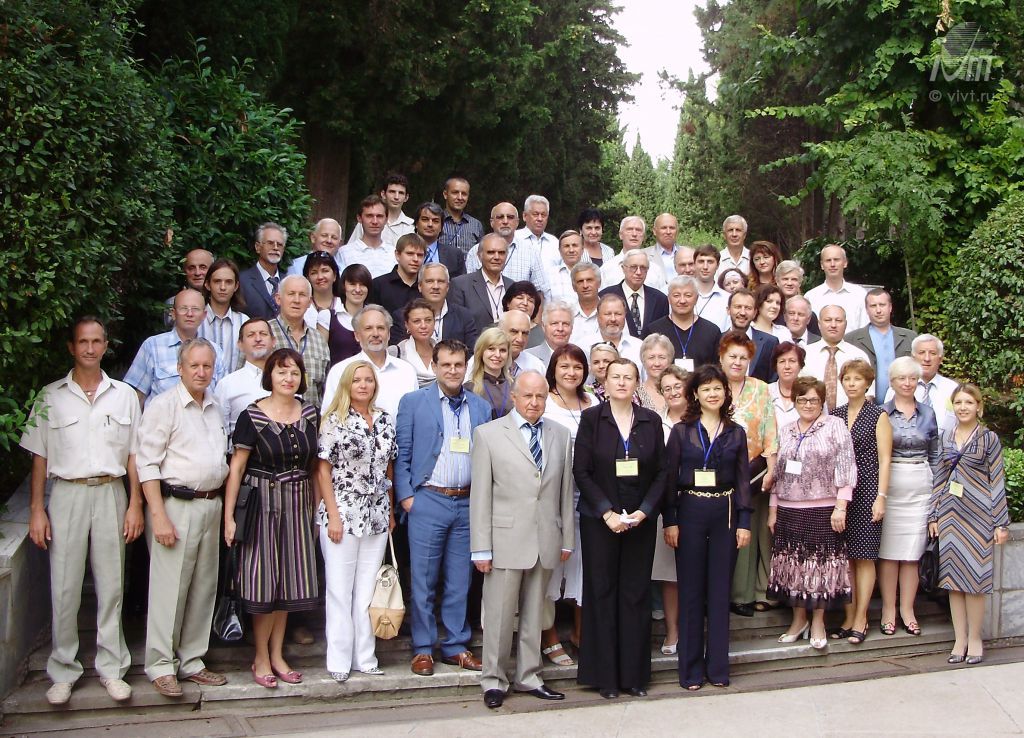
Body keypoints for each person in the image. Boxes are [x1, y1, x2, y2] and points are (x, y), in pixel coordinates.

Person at [20, 316, 144, 706]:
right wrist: (37, 510)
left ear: (105, 345)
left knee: (112, 585)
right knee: (65, 585)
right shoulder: (50, 396)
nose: (90, 348)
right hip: (67, 494)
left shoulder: (124, 395)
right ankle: (63, 670)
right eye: (83, 342)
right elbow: (39, 458)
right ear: (72, 347)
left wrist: (136, 504)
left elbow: (134, 456)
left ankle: (112, 668)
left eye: (96, 341)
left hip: (111, 492)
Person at [471, 371, 574, 708]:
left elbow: (564, 492)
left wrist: (566, 538)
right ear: (514, 396)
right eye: (527, 396)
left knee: (535, 614)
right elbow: (481, 496)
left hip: (545, 537)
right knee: (499, 615)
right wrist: (480, 547)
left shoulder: (560, 434)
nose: (534, 402)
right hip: (505, 539)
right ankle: (494, 680)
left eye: (540, 396)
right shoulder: (488, 434)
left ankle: (530, 676)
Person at [135, 338, 229, 697]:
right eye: (194, 366)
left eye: (207, 366)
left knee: (204, 587)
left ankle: (192, 659)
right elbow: (147, 463)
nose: (201, 372)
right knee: (169, 589)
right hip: (175, 505)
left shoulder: (216, 406)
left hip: (210, 504)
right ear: (180, 368)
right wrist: (157, 515)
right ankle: (161, 664)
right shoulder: (163, 406)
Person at [223, 348, 320, 688]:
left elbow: (315, 467)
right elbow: (236, 468)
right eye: (281, 372)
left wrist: (316, 511)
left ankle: (278, 655)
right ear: (270, 376)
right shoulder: (252, 415)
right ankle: (261, 657)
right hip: (262, 504)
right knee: (264, 584)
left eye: (294, 372)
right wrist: (229, 517)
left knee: (289, 583)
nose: (288, 378)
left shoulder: (311, 413)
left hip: (298, 503)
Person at [395, 340, 492, 676]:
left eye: (458, 364)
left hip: (466, 503)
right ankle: (423, 648)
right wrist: (407, 497)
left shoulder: (480, 407)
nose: (452, 370)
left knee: (459, 580)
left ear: (466, 366)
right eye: (446, 364)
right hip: (428, 500)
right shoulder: (413, 402)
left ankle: (455, 645)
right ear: (434, 367)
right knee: (423, 580)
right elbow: (402, 453)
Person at [574, 358, 666, 699]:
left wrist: (645, 511)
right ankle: (606, 678)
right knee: (601, 593)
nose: (622, 382)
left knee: (635, 594)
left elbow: (662, 472)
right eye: (616, 377)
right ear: (605, 382)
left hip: (640, 521)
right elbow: (581, 471)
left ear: (636, 382)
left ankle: (634, 676)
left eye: (629, 377)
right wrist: (606, 513)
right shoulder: (591, 419)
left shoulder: (650, 421)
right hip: (600, 521)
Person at [663, 364, 752, 689]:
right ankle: (690, 670)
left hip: (725, 513)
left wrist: (744, 522)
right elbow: (669, 480)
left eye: (717, 388)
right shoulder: (681, 432)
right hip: (689, 512)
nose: (712, 393)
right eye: (706, 388)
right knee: (690, 591)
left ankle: (717, 668)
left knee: (719, 591)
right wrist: (670, 520)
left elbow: (743, 481)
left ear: (725, 393)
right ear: (695, 394)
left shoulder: (736, 432)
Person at [315, 360, 398, 681]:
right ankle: (339, 660)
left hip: (377, 513)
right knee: (339, 589)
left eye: (368, 380)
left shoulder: (385, 420)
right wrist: (333, 515)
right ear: (347, 384)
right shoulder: (334, 420)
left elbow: (389, 468)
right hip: (343, 511)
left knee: (367, 590)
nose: (363, 385)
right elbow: (323, 470)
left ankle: (365, 656)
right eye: (357, 380)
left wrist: (390, 512)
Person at [768, 376, 857, 650]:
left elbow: (846, 465)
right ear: (794, 401)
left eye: (814, 400)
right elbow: (778, 473)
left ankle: (818, 622)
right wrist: (772, 509)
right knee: (793, 567)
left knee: (819, 568)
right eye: (802, 399)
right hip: (788, 508)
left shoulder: (835, 425)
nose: (808, 404)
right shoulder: (786, 429)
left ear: (822, 402)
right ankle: (798, 621)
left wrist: (841, 506)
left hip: (823, 508)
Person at [929, 383, 1010, 665]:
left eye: (969, 402)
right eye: (959, 402)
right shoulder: (946, 437)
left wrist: (1000, 523)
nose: (963, 407)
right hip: (951, 516)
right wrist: (933, 515)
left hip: (980, 517)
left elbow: (996, 480)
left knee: (975, 581)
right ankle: (959, 639)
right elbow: (939, 478)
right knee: (953, 581)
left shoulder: (988, 439)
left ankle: (975, 639)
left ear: (979, 407)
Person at [539, 345, 595, 663]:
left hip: (586, 496)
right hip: (552, 495)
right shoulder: (544, 402)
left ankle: (580, 632)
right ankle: (549, 637)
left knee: (583, 566)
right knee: (550, 565)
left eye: (577, 367)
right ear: (553, 370)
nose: (571, 372)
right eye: (564, 366)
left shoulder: (593, 402)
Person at [830, 359, 892, 645]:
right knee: (845, 558)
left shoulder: (878, 415)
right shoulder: (835, 415)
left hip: (868, 491)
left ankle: (862, 618)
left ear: (868, 383)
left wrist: (881, 497)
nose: (852, 383)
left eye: (857, 379)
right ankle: (849, 614)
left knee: (864, 557)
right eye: (847, 378)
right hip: (841, 493)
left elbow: (885, 459)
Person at [878, 356, 940, 637]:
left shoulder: (928, 413)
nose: (907, 383)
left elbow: (935, 455)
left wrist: (936, 496)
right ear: (892, 382)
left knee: (913, 554)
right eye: (901, 378)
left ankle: (907, 610)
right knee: (889, 554)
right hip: (890, 486)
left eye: (912, 378)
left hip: (920, 487)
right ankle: (888, 610)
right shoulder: (881, 412)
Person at [718, 331, 779, 617]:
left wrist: (771, 467)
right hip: (716, 472)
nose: (738, 362)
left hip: (753, 472)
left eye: (743, 358)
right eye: (732, 356)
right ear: (721, 357)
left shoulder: (761, 388)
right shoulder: (711, 384)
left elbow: (770, 429)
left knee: (749, 532)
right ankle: (719, 593)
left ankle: (743, 594)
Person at [125, 288, 227, 405]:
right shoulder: (153, 346)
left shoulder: (215, 351)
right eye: (184, 308)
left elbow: (222, 398)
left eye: (195, 309)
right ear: (173, 313)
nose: (189, 314)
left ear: (204, 315)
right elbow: (136, 398)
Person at [651, 364, 690, 657]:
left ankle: (693, 631)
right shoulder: (656, 423)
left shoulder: (703, 419)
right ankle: (673, 631)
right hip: (666, 505)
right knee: (669, 573)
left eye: (677, 386)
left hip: (701, 502)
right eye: (667, 388)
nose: (673, 392)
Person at [321, 305, 418, 417]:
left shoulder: (407, 371)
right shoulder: (340, 371)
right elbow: (329, 417)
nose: (375, 334)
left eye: (381, 328)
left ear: (389, 334)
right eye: (368, 328)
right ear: (357, 335)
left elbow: (416, 414)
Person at [845, 288, 917, 401]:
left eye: (882, 305)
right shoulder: (852, 339)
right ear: (867, 310)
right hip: (866, 404)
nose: (878, 310)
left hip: (903, 403)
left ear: (890, 307)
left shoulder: (910, 337)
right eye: (873, 306)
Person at [268, 275, 329, 407]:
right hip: (272, 416)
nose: (296, 300)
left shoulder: (319, 340)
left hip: (311, 416)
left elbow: (324, 389)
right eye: (291, 294)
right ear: (278, 299)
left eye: (302, 295)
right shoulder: (264, 334)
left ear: (309, 302)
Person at [466, 202, 550, 298]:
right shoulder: (475, 251)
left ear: (517, 222)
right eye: (500, 217)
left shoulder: (531, 252)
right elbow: (469, 288)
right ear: (492, 222)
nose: (505, 221)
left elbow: (539, 292)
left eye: (510, 217)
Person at [642, 275, 722, 371]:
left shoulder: (712, 332)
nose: (682, 301)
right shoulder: (653, 330)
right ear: (669, 299)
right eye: (676, 295)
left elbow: (716, 369)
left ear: (696, 298)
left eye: (688, 295)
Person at [883, 334, 959, 433]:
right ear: (913, 357)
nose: (927, 358)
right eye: (921, 352)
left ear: (940, 359)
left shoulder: (952, 388)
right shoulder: (898, 388)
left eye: (932, 353)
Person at [214, 318, 275, 439]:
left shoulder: (288, 380)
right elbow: (218, 432)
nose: (258, 338)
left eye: (263, 334)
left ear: (273, 341)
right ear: (240, 345)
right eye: (251, 335)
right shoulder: (227, 384)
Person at [391, 262, 478, 347]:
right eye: (430, 281)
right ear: (420, 286)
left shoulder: (464, 316)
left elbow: (472, 351)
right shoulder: (402, 316)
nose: (435, 286)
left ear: (447, 287)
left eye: (440, 281)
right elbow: (398, 352)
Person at [801, 305, 871, 409]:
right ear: (819, 324)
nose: (833, 325)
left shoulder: (858, 355)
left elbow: (868, 395)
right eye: (828, 320)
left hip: (850, 417)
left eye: (838, 320)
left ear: (845, 324)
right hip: (810, 415)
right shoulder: (805, 354)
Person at [449, 233, 513, 330]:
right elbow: (455, 326)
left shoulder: (512, 286)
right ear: (479, 256)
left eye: (501, 253)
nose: (497, 257)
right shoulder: (461, 285)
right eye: (491, 252)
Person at [599, 250, 669, 338]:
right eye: (633, 267)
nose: (638, 272)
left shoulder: (660, 299)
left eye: (643, 267)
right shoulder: (605, 296)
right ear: (623, 268)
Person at [199, 258, 249, 371]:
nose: (223, 287)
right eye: (217, 281)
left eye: (228, 282)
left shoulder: (244, 322)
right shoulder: (196, 320)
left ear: (236, 286)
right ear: (207, 284)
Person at [805, 244, 868, 330]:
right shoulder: (811, 297)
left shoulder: (860, 294)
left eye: (836, 260)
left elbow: (865, 328)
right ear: (822, 265)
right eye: (828, 260)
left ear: (845, 263)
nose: (832, 264)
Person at [320, 264, 372, 367]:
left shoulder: (375, 317)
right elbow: (321, 355)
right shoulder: (328, 317)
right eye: (352, 284)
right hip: (337, 375)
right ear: (344, 286)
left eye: (362, 285)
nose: (358, 289)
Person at [599, 216, 668, 293]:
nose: (634, 234)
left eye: (638, 230)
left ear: (643, 237)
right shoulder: (607, 269)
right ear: (621, 235)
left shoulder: (655, 270)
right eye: (629, 229)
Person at [347, 173, 415, 248]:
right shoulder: (367, 221)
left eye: (401, 193)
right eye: (392, 192)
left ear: (406, 197)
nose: (396, 197)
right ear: (383, 194)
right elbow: (351, 248)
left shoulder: (411, 226)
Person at [726, 289, 778, 383]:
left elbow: (773, 380)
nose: (742, 312)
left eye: (748, 308)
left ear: (754, 313)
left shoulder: (770, 342)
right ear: (728, 310)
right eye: (738, 307)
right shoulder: (717, 339)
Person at [338, 195, 397, 279]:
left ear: (386, 219)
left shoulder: (394, 254)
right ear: (359, 218)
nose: (375, 221)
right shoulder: (344, 253)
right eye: (369, 216)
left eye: (379, 216)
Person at [239, 222, 288, 320]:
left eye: (279, 244)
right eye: (270, 243)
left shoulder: (288, 281)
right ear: (258, 247)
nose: (275, 248)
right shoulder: (242, 281)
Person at [370, 233, 427, 316]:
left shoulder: (427, 286)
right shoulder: (378, 285)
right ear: (397, 255)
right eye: (410, 254)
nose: (415, 259)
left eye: (420, 255)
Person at [581, 293, 642, 368]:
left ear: (625, 316)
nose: (613, 319)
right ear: (598, 316)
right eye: (608, 314)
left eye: (618, 314)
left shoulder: (639, 347)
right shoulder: (583, 347)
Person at [466, 327, 514, 419]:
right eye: (491, 349)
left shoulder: (516, 385)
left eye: (502, 350)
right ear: (481, 352)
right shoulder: (469, 389)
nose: (497, 355)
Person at [412, 201, 467, 278]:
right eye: (425, 219)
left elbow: (461, 283)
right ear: (416, 224)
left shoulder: (454, 255)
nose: (430, 224)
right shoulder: (405, 252)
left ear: (441, 227)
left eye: (435, 221)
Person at [164, 248, 214, 327]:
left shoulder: (221, 302)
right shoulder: (172, 303)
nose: (197, 273)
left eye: (203, 267)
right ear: (184, 272)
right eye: (191, 268)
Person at [394, 298, 437, 388]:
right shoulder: (396, 353)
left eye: (428, 320)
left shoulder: (444, 351)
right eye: (417, 321)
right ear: (407, 325)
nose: (423, 326)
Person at [439, 176, 484, 254]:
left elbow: (481, 254)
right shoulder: (436, 221)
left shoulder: (476, 225)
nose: (460, 197)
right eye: (455, 193)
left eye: (464, 194)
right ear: (445, 194)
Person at [496, 307, 546, 376]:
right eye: (514, 332)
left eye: (525, 333)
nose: (520, 339)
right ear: (499, 331)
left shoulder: (536, 366)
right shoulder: (484, 362)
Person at [775, 260, 820, 337]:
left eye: (794, 279)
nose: (789, 283)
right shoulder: (773, 311)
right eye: (785, 279)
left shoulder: (810, 315)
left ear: (800, 283)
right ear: (777, 281)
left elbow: (815, 340)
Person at [692, 245, 731, 331]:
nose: (705, 267)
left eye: (710, 262)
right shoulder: (681, 297)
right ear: (694, 264)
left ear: (718, 265)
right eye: (701, 261)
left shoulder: (728, 299)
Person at [524, 300, 574, 367]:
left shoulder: (583, 357)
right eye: (554, 323)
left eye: (565, 324)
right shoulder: (527, 357)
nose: (560, 329)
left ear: (572, 328)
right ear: (543, 326)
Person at [301, 251, 342, 333]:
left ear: (335, 275)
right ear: (307, 278)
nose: (320, 277)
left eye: (325, 271)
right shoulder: (302, 306)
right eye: (314, 273)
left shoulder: (344, 305)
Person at [514, 194, 559, 267]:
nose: (540, 219)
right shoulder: (514, 238)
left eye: (543, 215)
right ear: (524, 216)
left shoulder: (554, 242)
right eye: (535, 214)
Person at [768, 342, 805, 429]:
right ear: (776, 366)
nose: (787, 366)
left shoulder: (811, 393)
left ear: (800, 365)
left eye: (792, 361)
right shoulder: (764, 391)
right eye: (782, 361)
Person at [636, 333, 674, 414]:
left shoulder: (679, 392)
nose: (657, 363)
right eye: (651, 357)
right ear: (643, 361)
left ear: (670, 360)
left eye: (662, 357)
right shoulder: (635, 394)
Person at [547, 229, 585, 305]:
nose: (571, 250)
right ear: (560, 251)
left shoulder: (591, 273)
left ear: (582, 249)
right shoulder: (549, 275)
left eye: (575, 245)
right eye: (566, 246)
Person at [568, 262, 603, 345]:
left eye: (589, 280)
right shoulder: (566, 314)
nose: (585, 285)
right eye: (580, 281)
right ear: (573, 287)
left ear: (599, 283)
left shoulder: (611, 313)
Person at [645, 213, 682, 278]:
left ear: (677, 231)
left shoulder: (690, 254)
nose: (668, 232)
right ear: (654, 231)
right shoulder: (644, 255)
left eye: (672, 228)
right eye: (664, 228)